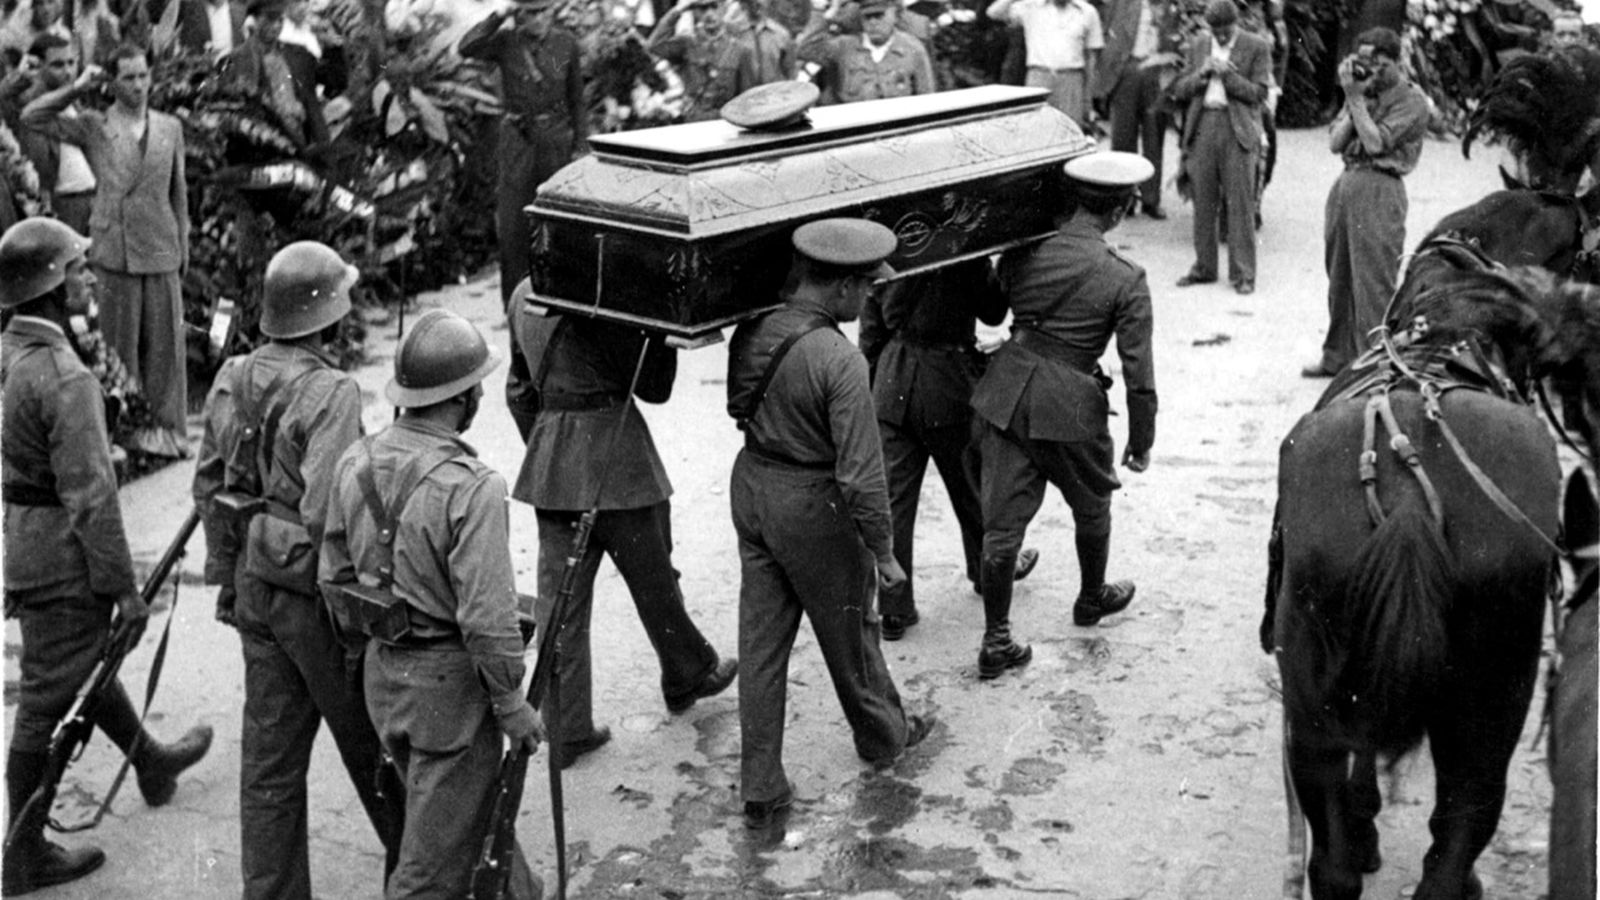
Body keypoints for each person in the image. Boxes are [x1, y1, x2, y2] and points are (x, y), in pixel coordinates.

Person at [2, 217, 212, 896]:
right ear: (52, 286)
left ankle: (149, 760)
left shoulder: (8, 354)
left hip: (25, 541)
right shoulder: (64, 377)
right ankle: (22, 851)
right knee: (46, 697)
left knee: (81, 660)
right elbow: (93, 499)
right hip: (63, 554)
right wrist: (125, 590)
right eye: (78, 270)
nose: (90, 278)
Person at [191, 240, 403, 900]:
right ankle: (429, 877)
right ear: (328, 317)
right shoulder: (330, 391)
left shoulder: (232, 376)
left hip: (255, 580)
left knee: (270, 764)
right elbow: (328, 516)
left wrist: (226, 578)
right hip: (312, 598)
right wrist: (362, 612)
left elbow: (209, 485)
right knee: (377, 746)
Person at [320, 308, 543, 900]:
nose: (479, 396)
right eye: (475, 387)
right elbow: (488, 619)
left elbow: (334, 578)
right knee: (428, 875)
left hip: (384, 679)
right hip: (449, 697)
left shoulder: (355, 460)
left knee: (461, 811)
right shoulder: (474, 486)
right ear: (462, 397)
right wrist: (511, 701)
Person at [726, 218, 935, 830]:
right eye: (866, 286)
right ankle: (885, 735)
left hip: (753, 483)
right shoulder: (841, 359)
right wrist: (884, 551)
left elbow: (737, 405)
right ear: (842, 286)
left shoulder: (754, 326)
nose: (869, 298)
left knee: (760, 643)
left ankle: (761, 782)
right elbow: (862, 475)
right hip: (812, 504)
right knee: (851, 631)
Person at [508, 278, 736, 769]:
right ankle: (688, 672)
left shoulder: (522, 293)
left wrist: (551, 446)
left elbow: (518, 391)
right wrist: (663, 326)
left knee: (559, 606)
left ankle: (567, 729)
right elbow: (654, 386)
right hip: (617, 459)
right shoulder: (607, 291)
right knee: (655, 578)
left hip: (553, 464)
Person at [970, 152, 1157, 679]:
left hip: (1008, 392)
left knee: (1001, 525)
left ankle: (996, 639)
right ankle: (1091, 597)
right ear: (1118, 211)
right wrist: (1141, 440)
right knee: (1093, 503)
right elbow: (1138, 373)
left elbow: (992, 312)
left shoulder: (1024, 250)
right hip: (1071, 402)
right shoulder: (1125, 277)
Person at [22, 44, 191, 458]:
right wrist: (77, 87)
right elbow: (32, 117)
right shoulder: (94, 125)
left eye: (143, 75)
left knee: (166, 348)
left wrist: (183, 246)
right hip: (115, 248)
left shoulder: (169, 127)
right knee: (117, 347)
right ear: (111, 82)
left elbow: (179, 192)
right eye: (128, 77)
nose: (138, 85)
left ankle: (168, 434)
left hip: (161, 246)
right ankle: (120, 434)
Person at [858, 261, 1040, 641]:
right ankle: (987, 571)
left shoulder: (889, 246)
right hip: (949, 382)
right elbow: (994, 311)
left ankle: (894, 608)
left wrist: (876, 384)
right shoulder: (963, 250)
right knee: (971, 486)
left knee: (895, 501)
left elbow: (872, 325)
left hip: (894, 381)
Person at [459, 0, 585, 438]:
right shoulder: (506, 42)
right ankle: (517, 316)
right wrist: (500, 15)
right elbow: (466, 47)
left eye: (542, 11)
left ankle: (562, 307)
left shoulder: (565, 44)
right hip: (517, 143)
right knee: (513, 230)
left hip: (555, 141)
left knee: (559, 226)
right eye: (528, 12)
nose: (535, 19)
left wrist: (581, 148)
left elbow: (577, 98)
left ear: (552, 12)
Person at [1301, 26, 1429, 378]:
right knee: (1339, 277)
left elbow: (1375, 143)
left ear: (1397, 61)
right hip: (1346, 183)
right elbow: (1335, 143)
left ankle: (1374, 366)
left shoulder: (1412, 101)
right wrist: (1353, 96)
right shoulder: (1361, 91)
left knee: (1374, 283)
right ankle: (1337, 356)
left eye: (1379, 63)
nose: (1372, 70)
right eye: (1365, 61)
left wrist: (1356, 101)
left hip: (1380, 187)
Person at [1168, 0, 1270, 296]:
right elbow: (1180, 89)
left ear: (1236, 24)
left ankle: (1244, 274)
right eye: (1216, 31)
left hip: (1237, 128)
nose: (1221, 36)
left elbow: (1259, 93)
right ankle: (1204, 267)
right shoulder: (1199, 44)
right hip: (1203, 125)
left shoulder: (1256, 46)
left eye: (1226, 31)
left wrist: (1227, 75)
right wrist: (1202, 74)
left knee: (1240, 204)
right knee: (1203, 201)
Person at [1093, 0, 1180, 218]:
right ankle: (1125, 199)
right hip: (1126, 69)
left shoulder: (1169, 7)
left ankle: (1151, 199)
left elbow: (1175, 42)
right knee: (1122, 137)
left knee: (1154, 137)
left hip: (1156, 72)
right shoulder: (1120, 3)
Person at [650, 0, 791, 120]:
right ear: (694, 12)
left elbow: (747, 95)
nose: (709, 14)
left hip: (724, 122)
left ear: (724, 8)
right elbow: (654, 46)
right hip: (693, 122)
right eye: (703, 9)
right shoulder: (687, 43)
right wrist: (678, 10)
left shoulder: (740, 50)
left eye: (714, 6)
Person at [220, 0, 329, 151]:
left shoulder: (298, 54)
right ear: (254, 20)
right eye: (270, 19)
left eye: (280, 20)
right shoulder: (236, 60)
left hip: (303, 144)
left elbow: (332, 83)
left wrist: (333, 47)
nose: (276, 25)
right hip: (261, 147)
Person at [13, 33, 94, 234]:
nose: (68, 71)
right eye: (58, 65)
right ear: (38, 67)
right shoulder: (29, 105)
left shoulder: (74, 101)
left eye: (71, 63)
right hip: (62, 206)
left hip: (91, 201)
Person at [985, 0, 1104, 127]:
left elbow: (1092, 59)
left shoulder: (1087, 12)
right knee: (1036, 128)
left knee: (1070, 129)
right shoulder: (1030, 7)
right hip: (1038, 77)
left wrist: (1087, 98)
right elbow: (994, 13)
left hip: (1071, 80)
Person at [798, 0, 936, 104]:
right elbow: (805, 49)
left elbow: (927, 99)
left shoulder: (913, 49)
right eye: (867, 17)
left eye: (879, 16)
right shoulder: (844, 47)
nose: (873, 23)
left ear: (895, 16)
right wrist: (825, 14)